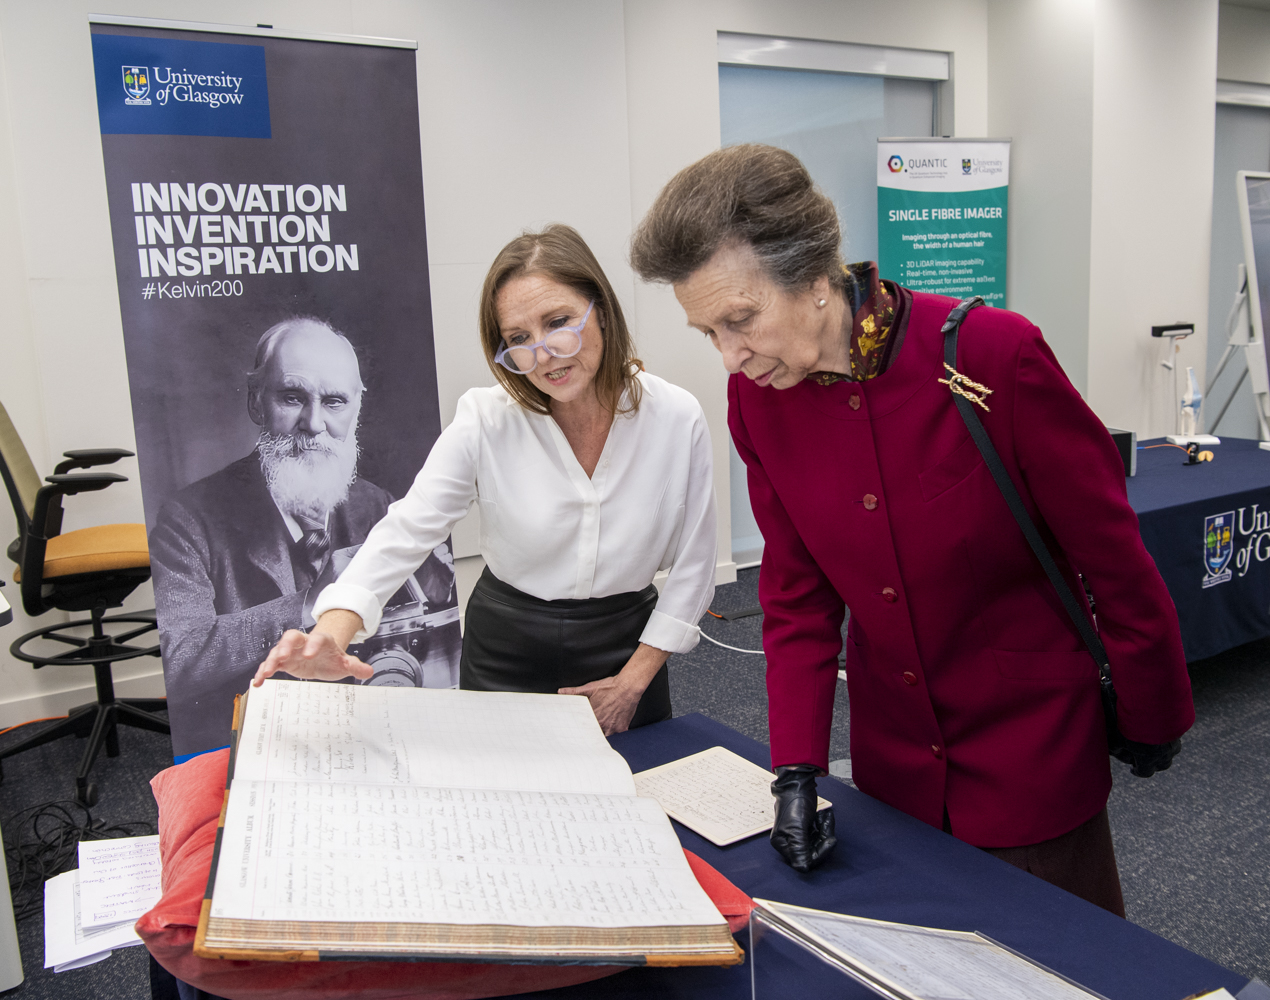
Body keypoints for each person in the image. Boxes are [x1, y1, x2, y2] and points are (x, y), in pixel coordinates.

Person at [628, 144, 1194, 914]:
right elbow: (796, 599)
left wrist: (1154, 706)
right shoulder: (759, 404)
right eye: (709, 334)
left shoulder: (996, 356)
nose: (730, 357)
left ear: (815, 278)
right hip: (893, 766)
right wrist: (796, 769)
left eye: (740, 320)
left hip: (1029, 753)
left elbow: (1114, 560)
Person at [254, 225, 717, 734]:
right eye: (518, 339)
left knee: (632, 798)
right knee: (506, 805)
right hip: (508, 649)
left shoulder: (676, 417)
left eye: (558, 321)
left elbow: (695, 566)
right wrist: (333, 629)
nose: (543, 355)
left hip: (628, 651)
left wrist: (630, 685)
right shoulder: (486, 418)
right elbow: (409, 529)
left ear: (601, 310)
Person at [149, 317, 455, 757]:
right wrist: (314, 600)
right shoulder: (188, 518)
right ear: (257, 402)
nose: (313, 424)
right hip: (256, 738)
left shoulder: (378, 505)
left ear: (356, 411)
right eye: (293, 397)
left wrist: (434, 593)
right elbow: (179, 658)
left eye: (334, 402)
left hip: (361, 725)